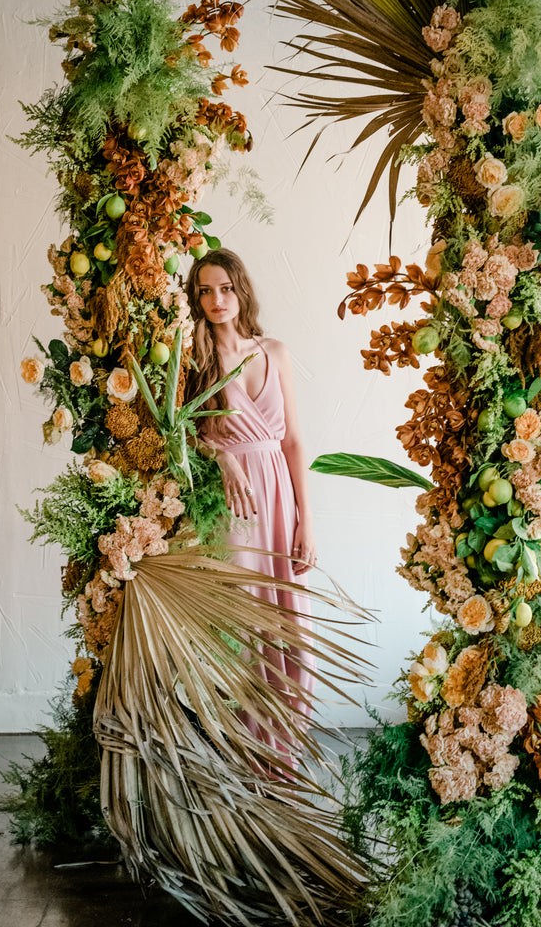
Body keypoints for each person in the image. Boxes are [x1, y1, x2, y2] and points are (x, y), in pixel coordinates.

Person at [185, 249, 317, 765]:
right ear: (196, 297)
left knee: (292, 630)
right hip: (234, 505)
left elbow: (295, 443)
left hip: (280, 498)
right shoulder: (194, 356)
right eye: (204, 290)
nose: (216, 300)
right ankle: (241, 752)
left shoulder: (275, 351)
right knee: (243, 626)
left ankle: (282, 754)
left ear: (240, 290)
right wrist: (221, 456)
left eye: (224, 288)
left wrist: (308, 520)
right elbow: (183, 433)